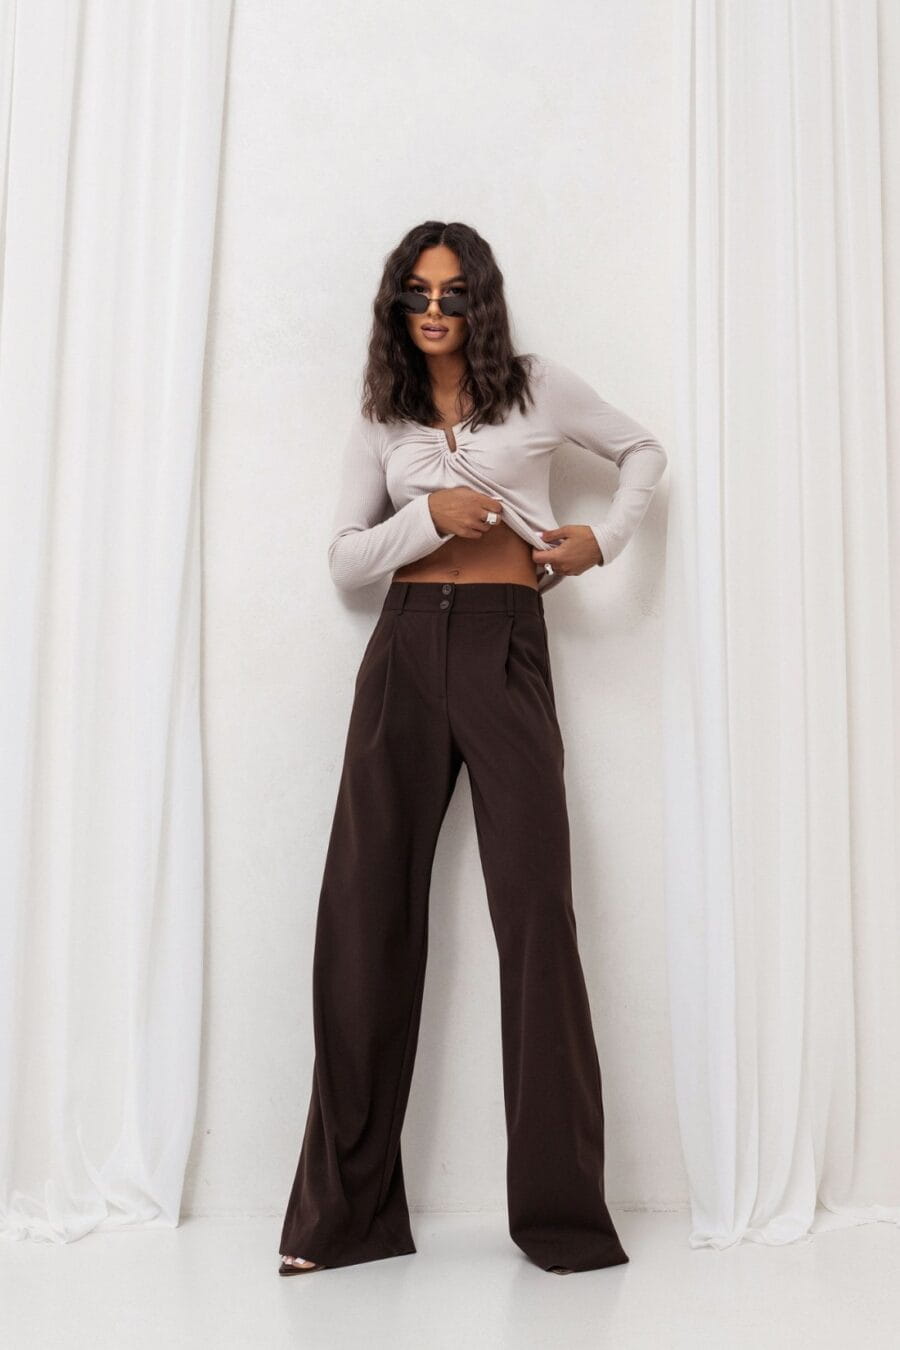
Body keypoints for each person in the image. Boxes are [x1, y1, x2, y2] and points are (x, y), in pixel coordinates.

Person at [278, 221, 668, 1277]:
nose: (435, 310)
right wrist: (428, 519)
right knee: (364, 918)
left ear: (480, 300)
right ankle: (345, 1220)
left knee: (536, 912)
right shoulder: (383, 413)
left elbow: (643, 451)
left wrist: (600, 542)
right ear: (396, 305)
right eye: (417, 293)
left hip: (505, 646)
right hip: (403, 652)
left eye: (453, 293)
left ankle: (562, 1221)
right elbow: (345, 561)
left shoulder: (537, 387)